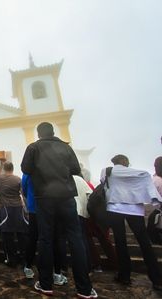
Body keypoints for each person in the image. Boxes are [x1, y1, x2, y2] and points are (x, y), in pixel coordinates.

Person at [21, 122, 97, 298]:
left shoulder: (33, 147)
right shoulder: (65, 147)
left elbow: (25, 169)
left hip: (44, 198)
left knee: (45, 239)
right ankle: (84, 288)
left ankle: (46, 284)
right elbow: (76, 169)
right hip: (66, 196)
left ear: (39, 133)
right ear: (53, 132)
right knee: (76, 238)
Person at [103, 154, 162, 290]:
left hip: (115, 207)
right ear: (126, 162)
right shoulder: (140, 173)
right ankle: (156, 278)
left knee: (120, 242)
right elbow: (147, 178)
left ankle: (124, 275)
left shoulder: (107, 171)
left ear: (114, 162)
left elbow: (103, 184)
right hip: (135, 209)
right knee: (144, 243)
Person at [0, 161, 28, 268]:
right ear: (13, 168)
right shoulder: (18, 179)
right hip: (18, 208)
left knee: (7, 236)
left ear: (4, 168)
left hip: (6, 209)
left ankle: (11, 260)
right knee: (21, 234)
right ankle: (24, 259)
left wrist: (0, 165)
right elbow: (23, 193)